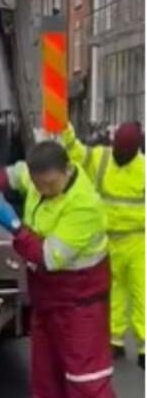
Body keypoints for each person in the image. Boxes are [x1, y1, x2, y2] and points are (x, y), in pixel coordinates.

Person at [0, 140, 117, 398]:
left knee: (85, 383)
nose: (44, 191)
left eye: (50, 184)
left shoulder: (83, 207)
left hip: (80, 307)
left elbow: (48, 258)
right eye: (39, 185)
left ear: (67, 170)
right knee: (46, 380)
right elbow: (16, 175)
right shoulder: (38, 175)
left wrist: (14, 225)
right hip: (47, 300)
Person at [61, 121, 144, 366]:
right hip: (109, 240)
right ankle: (115, 341)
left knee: (142, 295)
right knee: (114, 293)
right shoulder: (102, 158)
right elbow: (74, 150)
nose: (119, 153)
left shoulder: (143, 169)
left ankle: (144, 347)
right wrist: (63, 125)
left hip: (138, 241)